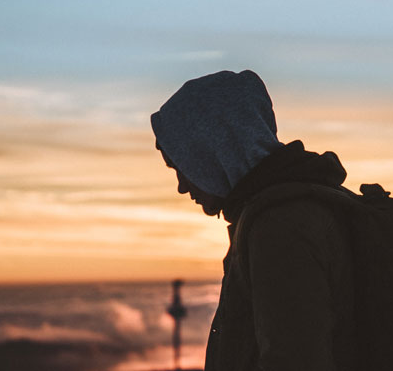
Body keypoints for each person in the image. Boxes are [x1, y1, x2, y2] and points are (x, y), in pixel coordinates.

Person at [151, 70, 356, 371]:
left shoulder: (280, 229)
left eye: (182, 167)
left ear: (211, 153)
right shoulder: (301, 206)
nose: (182, 186)